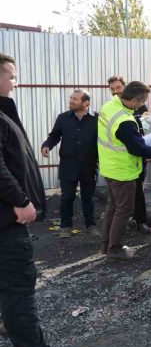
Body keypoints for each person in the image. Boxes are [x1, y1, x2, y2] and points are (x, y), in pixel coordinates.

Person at [0, 53, 70, 347]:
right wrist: (20, 201)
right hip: (6, 221)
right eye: (12, 76)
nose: (17, 82)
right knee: (17, 287)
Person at [98, 81, 151, 261]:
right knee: (124, 210)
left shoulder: (110, 105)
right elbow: (139, 149)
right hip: (123, 171)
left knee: (113, 207)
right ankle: (115, 249)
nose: (143, 104)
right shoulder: (125, 122)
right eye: (143, 101)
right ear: (135, 101)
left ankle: (106, 245)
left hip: (109, 167)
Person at [41, 90, 99, 238]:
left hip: (89, 165)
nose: (71, 101)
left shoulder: (97, 119)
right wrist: (47, 145)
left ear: (86, 103)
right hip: (68, 164)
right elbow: (54, 136)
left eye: (75, 99)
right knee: (67, 197)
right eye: (71, 98)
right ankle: (65, 227)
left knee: (88, 198)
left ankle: (91, 225)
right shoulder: (63, 118)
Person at [108, 75, 151, 234]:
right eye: (112, 89)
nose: (115, 92)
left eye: (118, 88)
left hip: (138, 157)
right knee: (117, 199)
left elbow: (147, 125)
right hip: (119, 161)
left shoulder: (139, 105)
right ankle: (119, 227)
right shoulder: (112, 107)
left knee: (138, 192)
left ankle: (140, 221)